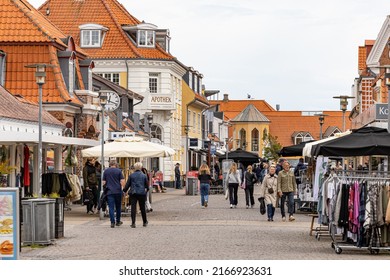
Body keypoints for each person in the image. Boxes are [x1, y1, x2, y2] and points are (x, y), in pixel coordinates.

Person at [123, 162, 149, 228]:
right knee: (142, 207)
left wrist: (124, 191)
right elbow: (147, 186)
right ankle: (145, 222)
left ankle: (133, 223)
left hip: (133, 193)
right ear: (141, 167)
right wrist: (145, 191)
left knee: (133, 208)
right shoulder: (144, 175)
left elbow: (127, 185)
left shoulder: (131, 175)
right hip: (141, 193)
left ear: (135, 168)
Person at [102, 160, 125, 228]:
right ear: (116, 164)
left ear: (110, 164)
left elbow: (103, 182)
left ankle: (112, 222)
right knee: (118, 207)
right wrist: (123, 190)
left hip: (109, 191)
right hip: (118, 191)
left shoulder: (106, 171)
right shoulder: (119, 171)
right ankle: (118, 221)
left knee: (111, 207)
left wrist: (105, 188)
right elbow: (122, 181)